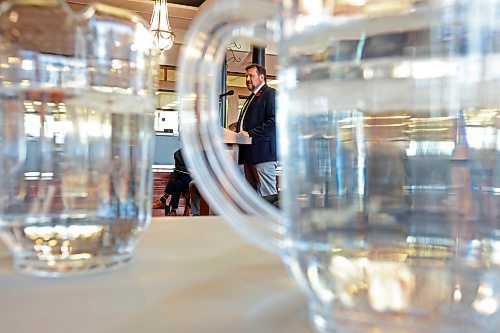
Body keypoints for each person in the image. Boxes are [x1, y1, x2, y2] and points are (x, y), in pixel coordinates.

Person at [229, 63, 278, 197]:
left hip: (263, 154)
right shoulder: (251, 97)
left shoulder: (271, 94)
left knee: (268, 196)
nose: (247, 79)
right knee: (253, 197)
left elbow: (274, 121)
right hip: (249, 154)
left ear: (262, 77)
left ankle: (271, 219)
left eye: (251, 75)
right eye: (246, 76)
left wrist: (250, 133)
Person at [152, 148, 192, 216]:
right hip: (180, 180)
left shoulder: (195, 152)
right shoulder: (177, 154)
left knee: (175, 175)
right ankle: (173, 211)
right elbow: (178, 168)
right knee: (177, 183)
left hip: (190, 180)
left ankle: (164, 200)